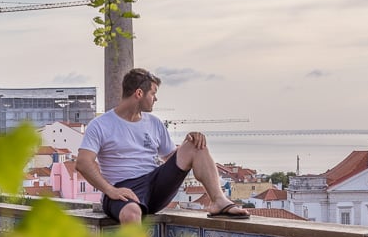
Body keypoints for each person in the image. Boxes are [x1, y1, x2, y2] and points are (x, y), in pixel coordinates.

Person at [76, 68, 249, 224]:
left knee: (196, 144)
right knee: (131, 213)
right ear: (139, 93)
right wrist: (110, 190)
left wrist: (189, 144)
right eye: (153, 93)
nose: (156, 98)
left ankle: (218, 201)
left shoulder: (155, 123)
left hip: (155, 184)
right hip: (123, 189)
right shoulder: (100, 125)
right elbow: (83, 163)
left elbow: (171, 157)